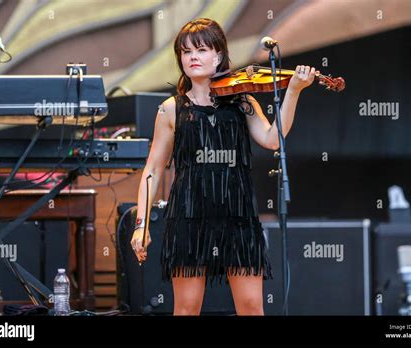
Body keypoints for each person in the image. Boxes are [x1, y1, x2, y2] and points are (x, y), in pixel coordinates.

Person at [131, 18, 315, 315]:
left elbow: (272, 140)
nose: (192, 57)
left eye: (201, 50)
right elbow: (152, 169)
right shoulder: (170, 109)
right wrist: (141, 225)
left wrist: (293, 91)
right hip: (189, 216)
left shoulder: (242, 100)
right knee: (187, 310)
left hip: (237, 214)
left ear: (218, 56)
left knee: (252, 308)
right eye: (186, 51)